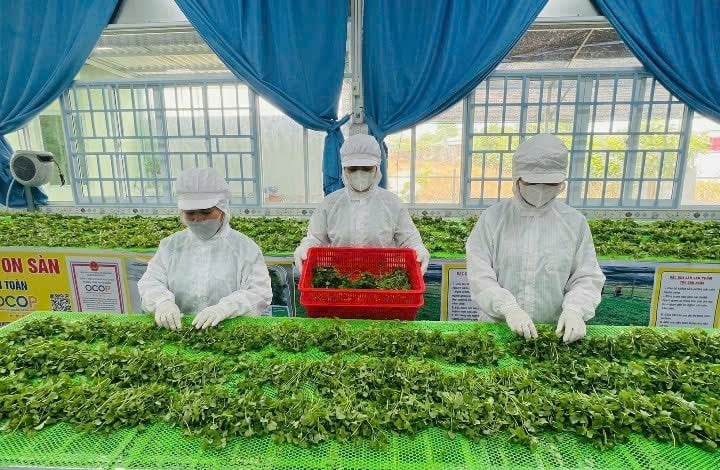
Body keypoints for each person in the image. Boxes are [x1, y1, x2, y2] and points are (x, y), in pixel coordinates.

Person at [465, 134, 605, 343]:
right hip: (498, 329)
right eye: (533, 182)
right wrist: (508, 308)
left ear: (561, 183)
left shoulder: (574, 223)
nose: (540, 189)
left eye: (549, 183)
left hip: (555, 333)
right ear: (517, 179)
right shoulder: (493, 219)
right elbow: (480, 277)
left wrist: (575, 309)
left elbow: (586, 278)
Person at [138, 167, 272, 330]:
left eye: (206, 212)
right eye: (190, 213)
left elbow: (259, 292)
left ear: (222, 209)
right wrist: (162, 302)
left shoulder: (244, 248)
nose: (198, 219)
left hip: (228, 331)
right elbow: (151, 281)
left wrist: (225, 309)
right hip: (178, 330)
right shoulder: (170, 246)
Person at [294, 133, 430, 274]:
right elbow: (315, 238)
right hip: (341, 280)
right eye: (353, 168)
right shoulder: (329, 204)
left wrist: (419, 250)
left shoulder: (392, 204)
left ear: (377, 168)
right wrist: (305, 247)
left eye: (366, 168)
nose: (359, 174)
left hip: (382, 281)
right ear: (344, 169)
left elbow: (409, 239)